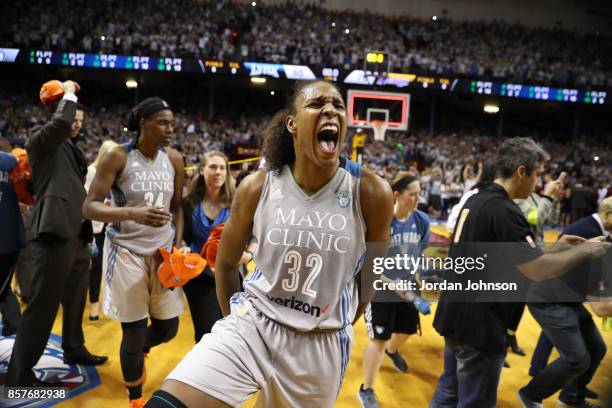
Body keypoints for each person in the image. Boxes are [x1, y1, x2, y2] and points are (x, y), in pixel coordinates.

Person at [145, 80, 394, 408]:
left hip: (319, 344)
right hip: (254, 324)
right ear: (292, 123)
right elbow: (227, 262)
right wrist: (234, 318)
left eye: (337, 105)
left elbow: (371, 271)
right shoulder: (258, 186)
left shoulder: (371, 192)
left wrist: (343, 317)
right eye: (317, 104)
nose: (331, 109)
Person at [430, 137, 610, 408]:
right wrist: (586, 251)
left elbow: (514, 252)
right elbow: (536, 270)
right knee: (474, 402)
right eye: (537, 174)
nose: (538, 183)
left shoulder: (477, 199)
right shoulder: (504, 210)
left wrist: (558, 247)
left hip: (455, 313)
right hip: (480, 324)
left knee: (448, 394)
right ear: (521, 171)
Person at [83, 97, 186, 407]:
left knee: (169, 328)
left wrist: (178, 244)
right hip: (127, 251)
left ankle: (142, 347)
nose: (170, 129)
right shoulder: (118, 156)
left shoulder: (175, 159)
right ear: (144, 123)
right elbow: (89, 207)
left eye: (172, 124)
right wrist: (132, 213)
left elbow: (177, 208)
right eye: (163, 123)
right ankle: (135, 399)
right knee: (134, 330)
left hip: (163, 252)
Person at [7, 82, 107, 388]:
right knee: (42, 306)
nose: (76, 125)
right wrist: (69, 91)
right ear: (59, 112)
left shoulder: (68, 148)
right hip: (53, 232)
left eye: (80, 122)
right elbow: (62, 122)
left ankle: (73, 348)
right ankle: (20, 376)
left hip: (76, 233)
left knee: (75, 300)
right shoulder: (40, 140)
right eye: (73, 119)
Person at [519, 196, 612, 408]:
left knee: (596, 348)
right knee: (577, 359)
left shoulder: (596, 229)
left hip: (568, 298)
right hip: (550, 299)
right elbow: (600, 306)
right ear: (607, 215)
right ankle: (531, 394)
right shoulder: (588, 232)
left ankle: (571, 397)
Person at [358, 173, 431, 408]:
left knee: (408, 329)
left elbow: (421, 254)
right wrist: (391, 283)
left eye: (420, 193)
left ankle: (392, 350)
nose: (418, 198)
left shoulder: (421, 221)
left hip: (408, 286)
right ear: (397, 195)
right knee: (378, 338)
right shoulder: (381, 222)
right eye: (413, 194)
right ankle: (366, 389)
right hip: (380, 288)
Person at [181, 150, 254, 343]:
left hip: (231, 274)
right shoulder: (189, 203)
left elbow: (254, 237)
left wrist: (248, 256)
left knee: (232, 332)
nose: (218, 171)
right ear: (202, 170)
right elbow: (183, 238)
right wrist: (183, 247)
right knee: (206, 334)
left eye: (222, 168)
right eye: (213, 167)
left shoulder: (237, 202)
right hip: (199, 276)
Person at [506, 172, 565, 357]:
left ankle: (510, 336)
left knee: (519, 302)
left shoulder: (537, 197)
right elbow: (536, 218)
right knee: (509, 301)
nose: (539, 180)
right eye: (536, 176)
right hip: (518, 257)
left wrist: (555, 199)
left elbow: (552, 221)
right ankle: (501, 344)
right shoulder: (518, 200)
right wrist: (548, 196)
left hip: (534, 257)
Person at [85, 140, 118, 320]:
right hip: (91, 225)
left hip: (108, 224)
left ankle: (97, 304)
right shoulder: (91, 171)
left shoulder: (115, 174)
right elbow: (86, 198)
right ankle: (91, 303)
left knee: (101, 267)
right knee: (89, 266)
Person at [0, 136, 24, 336]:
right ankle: (14, 326)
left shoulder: (14, 162)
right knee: (4, 288)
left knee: (4, 289)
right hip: (10, 240)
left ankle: (15, 327)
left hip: (7, 240)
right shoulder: (15, 163)